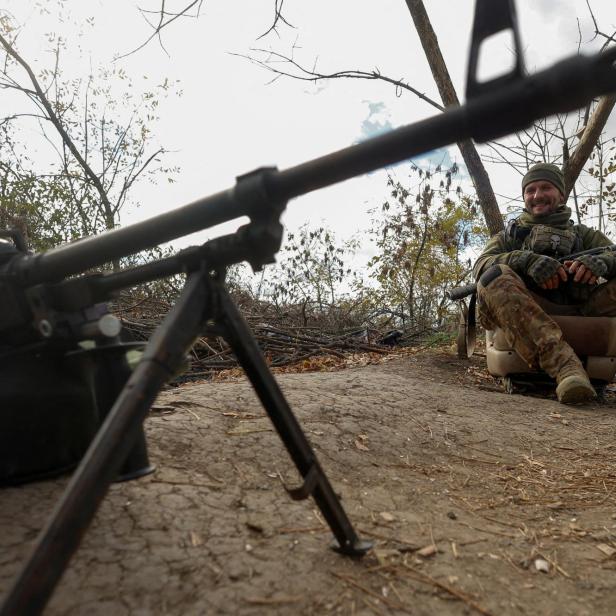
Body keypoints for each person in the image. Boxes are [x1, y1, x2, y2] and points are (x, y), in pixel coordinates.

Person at [473, 163, 616, 404]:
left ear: (560, 194)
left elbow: (613, 252)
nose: (537, 195)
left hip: (581, 306)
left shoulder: (585, 235)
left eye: (545, 187)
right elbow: (481, 266)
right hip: (524, 308)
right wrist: (523, 259)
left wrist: (603, 262)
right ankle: (566, 368)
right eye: (530, 190)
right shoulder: (509, 236)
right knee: (493, 276)